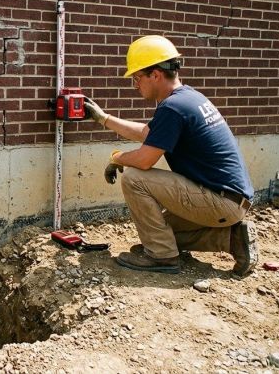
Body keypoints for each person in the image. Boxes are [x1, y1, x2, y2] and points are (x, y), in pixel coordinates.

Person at [84, 35, 257, 277]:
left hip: (220, 201)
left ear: (155, 74)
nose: (135, 85)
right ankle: (232, 239)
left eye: (137, 78)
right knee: (160, 232)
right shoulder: (187, 98)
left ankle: (162, 257)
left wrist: (117, 158)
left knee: (134, 177)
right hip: (230, 200)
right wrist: (103, 118)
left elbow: (145, 160)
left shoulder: (173, 107)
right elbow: (148, 133)